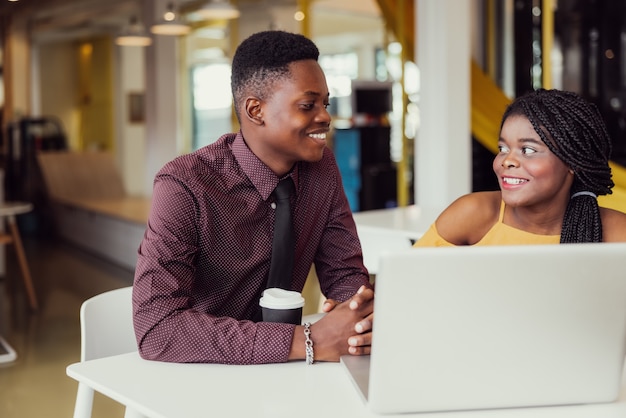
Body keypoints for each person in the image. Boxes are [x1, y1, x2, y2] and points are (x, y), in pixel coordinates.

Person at [132, 30, 374, 365]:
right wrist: (306, 341)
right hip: (202, 374)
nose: (325, 117)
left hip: (289, 373)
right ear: (255, 110)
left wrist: (356, 319)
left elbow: (344, 274)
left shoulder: (321, 169)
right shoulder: (184, 186)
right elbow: (157, 329)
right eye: (308, 105)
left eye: (325, 103)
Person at [414, 88, 626, 247]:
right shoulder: (473, 215)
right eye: (503, 148)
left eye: (528, 150)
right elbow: (400, 287)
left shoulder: (616, 232)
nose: (507, 161)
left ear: (572, 161)